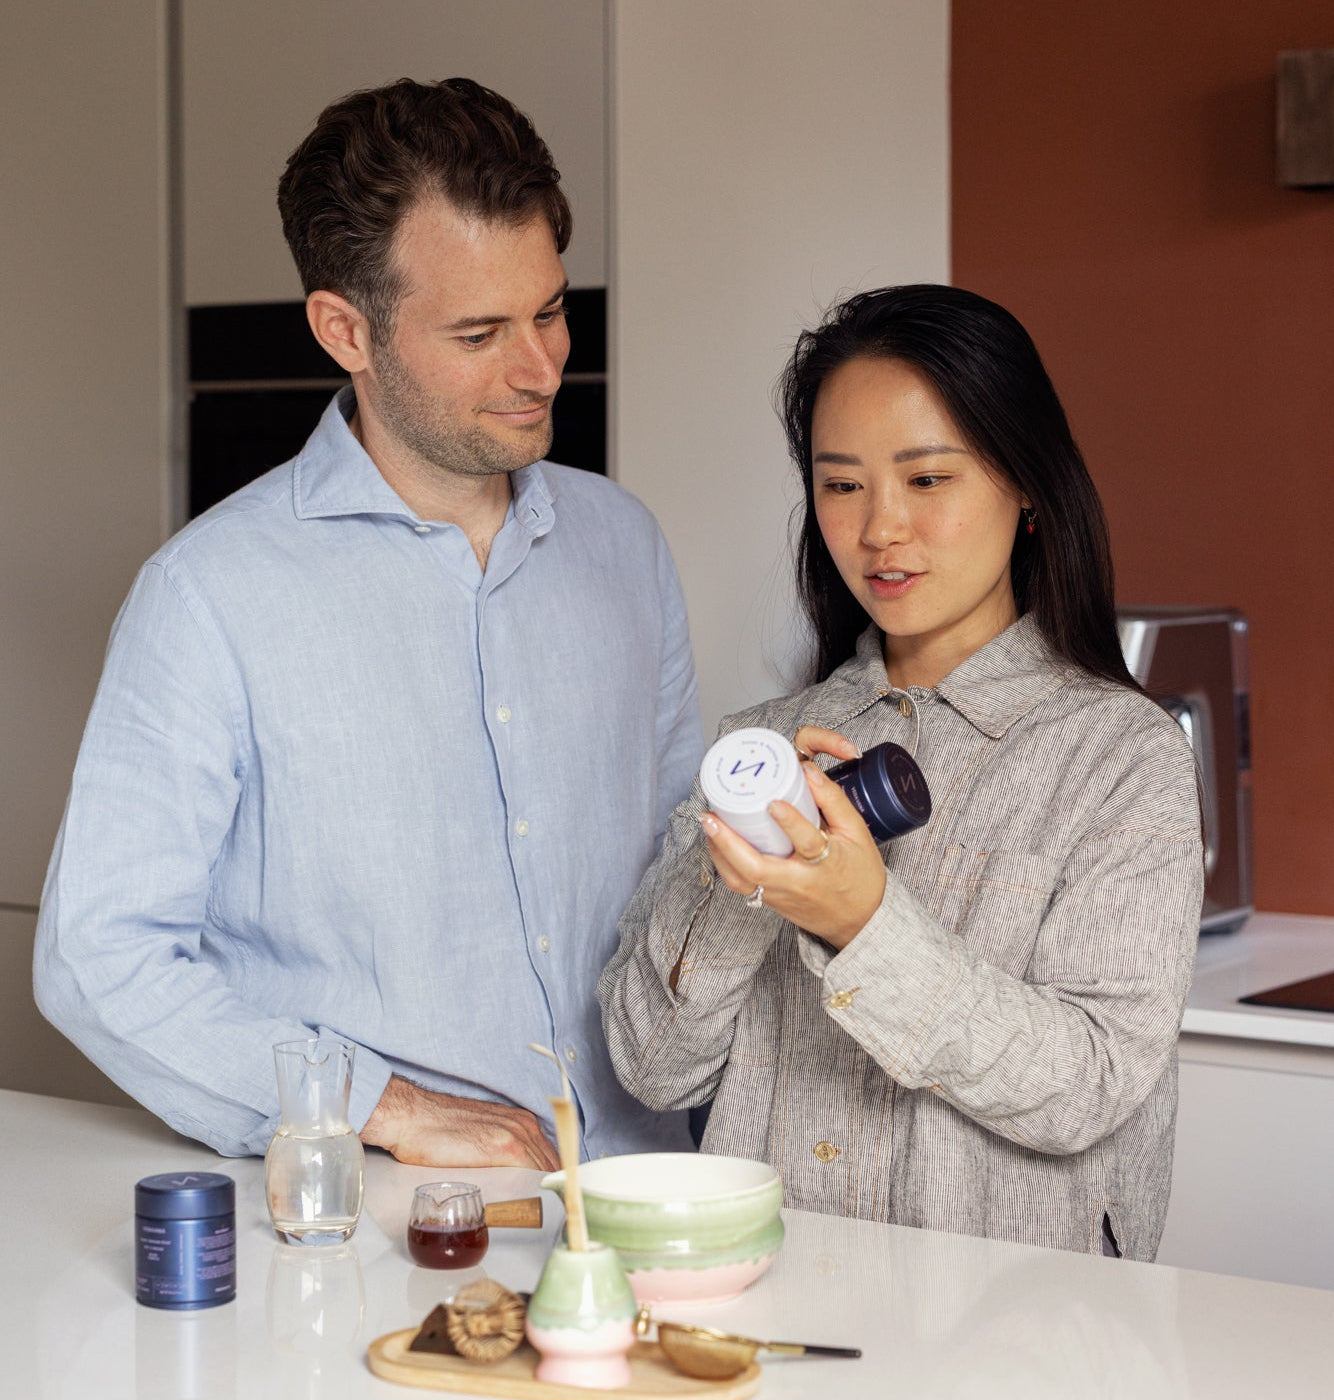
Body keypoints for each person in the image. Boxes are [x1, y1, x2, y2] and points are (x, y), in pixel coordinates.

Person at [34, 78, 701, 1168]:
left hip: (646, 1193)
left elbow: (681, 877)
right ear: (345, 330)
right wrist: (382, 1104)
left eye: (549, 310)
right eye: (479, 332)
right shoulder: (208, 596)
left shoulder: (625, 546)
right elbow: (96, 956)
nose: (541, 367)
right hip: (383, 1217)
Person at [599, 284, 1203, 1259]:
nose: (880, 527)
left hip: (1006, 1328)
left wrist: (864, 924)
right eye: (842, 486)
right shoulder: (763, 748)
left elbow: (1089, 1084)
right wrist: (737, 878)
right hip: (771, 1301)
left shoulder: (1120, 757)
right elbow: (653, 1068)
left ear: (1027, 485)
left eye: (925, 479)